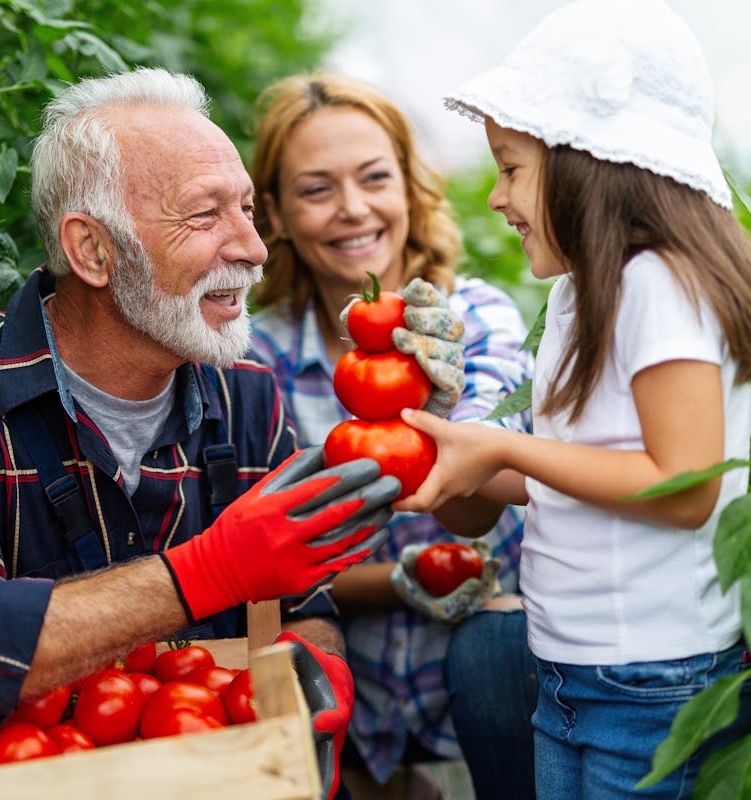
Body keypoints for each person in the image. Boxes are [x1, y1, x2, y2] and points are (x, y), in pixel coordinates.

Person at [0, 67, 404, 799]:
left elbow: (304, 604)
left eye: (246, 209)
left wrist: (312, 661)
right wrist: (207, 573)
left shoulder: (247, 393)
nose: (255, 247)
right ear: (94, 251)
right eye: (205, 216)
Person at [396, 1, 751, 797]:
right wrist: (462, 464)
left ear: (592, 161)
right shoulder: (585, 294)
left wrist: (505, 446)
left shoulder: (663, 286)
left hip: (652, 683)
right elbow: (583, 472)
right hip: (575, 672)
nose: (496, 198)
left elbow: (685, 485)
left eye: (511, 168)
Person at [246, 72, 537, 799]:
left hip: (485, 698)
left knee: (495, 665)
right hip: (349, 706)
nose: (353, 210)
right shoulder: (256, 359)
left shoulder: (481, 320)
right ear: (275, 215)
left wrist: (439, 407)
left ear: (409, 187)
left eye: (376, 178)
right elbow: (261, 571)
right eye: (316, 190)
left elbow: (474, 514)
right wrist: (402, 585)